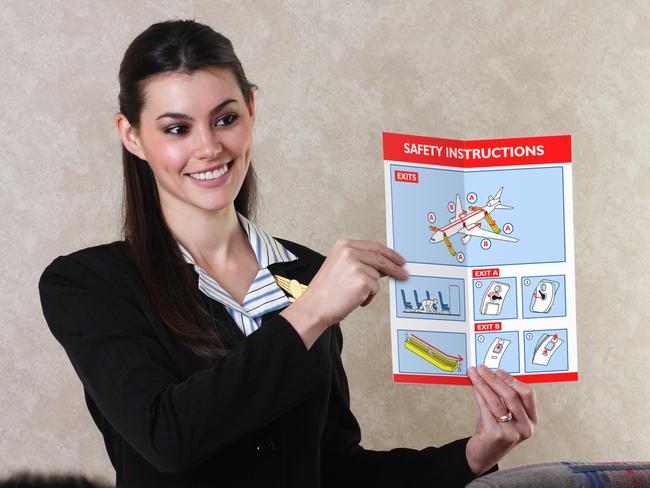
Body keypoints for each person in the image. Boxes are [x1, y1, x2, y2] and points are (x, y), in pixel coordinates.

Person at [38, 19, 537, 487]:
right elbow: (168, 437)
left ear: (251, 110)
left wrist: (473, 453)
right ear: (132, 135)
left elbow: (334, 469)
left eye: (225, 118)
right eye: (177, 128)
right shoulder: (86, 284)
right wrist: (311, 313)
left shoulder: (308, 272)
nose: (208, 147)